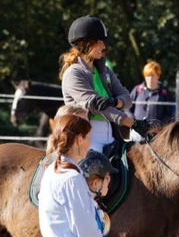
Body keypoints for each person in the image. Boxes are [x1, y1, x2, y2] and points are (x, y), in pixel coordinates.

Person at [60, 15, 148, 153]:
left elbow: (127, 98)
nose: (103, 46)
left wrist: (114, 102)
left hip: (111, 135)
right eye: (99, 42)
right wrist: (133, 123)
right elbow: (97, 106)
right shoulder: (73, 74)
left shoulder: (104, 70)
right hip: (85, 138)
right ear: (83, 44)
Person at [130, 61, 174, 139]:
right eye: (148, 75)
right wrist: (133, 122)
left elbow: (170, 114)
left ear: (158, 75)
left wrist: (160, 124)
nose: (150, 78)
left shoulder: (165, 93)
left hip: (157, 134)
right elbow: (127, 108)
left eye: (152, 75)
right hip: (137, 133)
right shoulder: (137, 90)